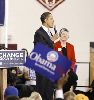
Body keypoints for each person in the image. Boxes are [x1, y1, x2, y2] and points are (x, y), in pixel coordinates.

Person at [34, 12, 59, 100]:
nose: (53, 21)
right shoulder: (39, 33)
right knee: (43, 91)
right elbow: (40, 50)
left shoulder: (49, 33)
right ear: (45, 20)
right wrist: (52, 40)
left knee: (49, 91)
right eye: (51, 18)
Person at [54, 28, 78, 93]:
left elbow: (73, 60)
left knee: (74, 77)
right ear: (60, 35)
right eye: (63, 34)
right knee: (61, 79)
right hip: (58, 69)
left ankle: (67, 93)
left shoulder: (71, 46)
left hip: (68, 69)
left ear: (68, 36)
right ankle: (60, 93)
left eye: (66, 34)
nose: (64, 35)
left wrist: (70, 68)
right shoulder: (55, 45)